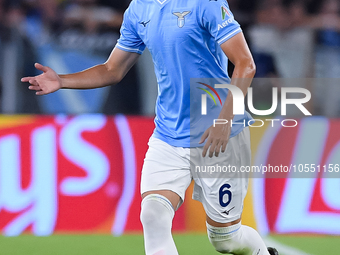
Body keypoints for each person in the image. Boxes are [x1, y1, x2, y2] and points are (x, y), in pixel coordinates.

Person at [22, 0, 278, 254]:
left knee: (226, 240)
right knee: (153, 215)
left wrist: (224, 121)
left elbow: (246, 64)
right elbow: (113, 69)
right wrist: (62, 80)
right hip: (168, 136)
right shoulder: (138, 9)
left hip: (217, 136)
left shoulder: (206, 4)